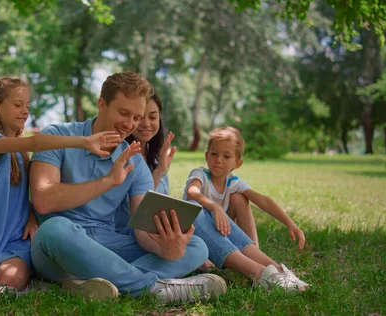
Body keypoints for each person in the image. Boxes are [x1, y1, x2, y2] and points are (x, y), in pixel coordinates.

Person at [29, 72, 227, 303]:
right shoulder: (57, 137)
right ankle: (153, 288)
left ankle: (93, 283)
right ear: (102, 104)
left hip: (107, 243)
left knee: (196, 246)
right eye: (123, 113)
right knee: (55, 228)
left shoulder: (135, 162)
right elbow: (43, 200)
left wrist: (167, 249)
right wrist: (107, 181)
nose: (129, 124)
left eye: (136, 117)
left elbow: (142, 231)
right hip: (59, 248)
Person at [0, 77, 122, 292]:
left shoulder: (22, 155)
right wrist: (84, 141)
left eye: (27, 105)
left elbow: (26, 196)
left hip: (15, 241)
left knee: (11, 281)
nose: (25, 111)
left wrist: (32, 219)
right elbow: (34, 142)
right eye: (17, 105)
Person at [184, 126, 309, 292]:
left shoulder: (232, 182)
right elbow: (192, 192)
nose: (218, 160)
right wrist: (214, 207)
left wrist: (290, 223)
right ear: (207, 155)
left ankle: (277, 270)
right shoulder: (200, 174)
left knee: (240, 197)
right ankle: (259, 274)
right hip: (195, 237)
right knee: (195, 208)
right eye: (214, 154)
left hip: (222, 236)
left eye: (226, 156)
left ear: (237, 163)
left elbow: (262, 200)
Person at [114, 92, 175, 235]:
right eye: (140, 117)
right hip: (132, 232)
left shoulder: (156, 158)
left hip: (159, 227)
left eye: (153, 117)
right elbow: (134, 210)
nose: (146, 123)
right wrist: (159, 172)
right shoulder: (121, 157)